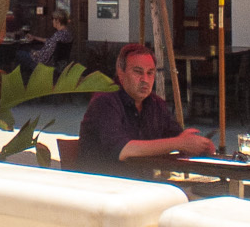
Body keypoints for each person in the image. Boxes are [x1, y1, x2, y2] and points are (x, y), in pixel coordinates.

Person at [74, 44, 215, 171]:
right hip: (101, 187)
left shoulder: (155, 103)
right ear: (121, 72)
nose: (145, 80)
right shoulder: (105, 101)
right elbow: (123, 150)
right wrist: (179, 143)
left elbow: (177, 139)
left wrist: (198, 145)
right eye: (138, 72)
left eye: (150, 72)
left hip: (142, 186)